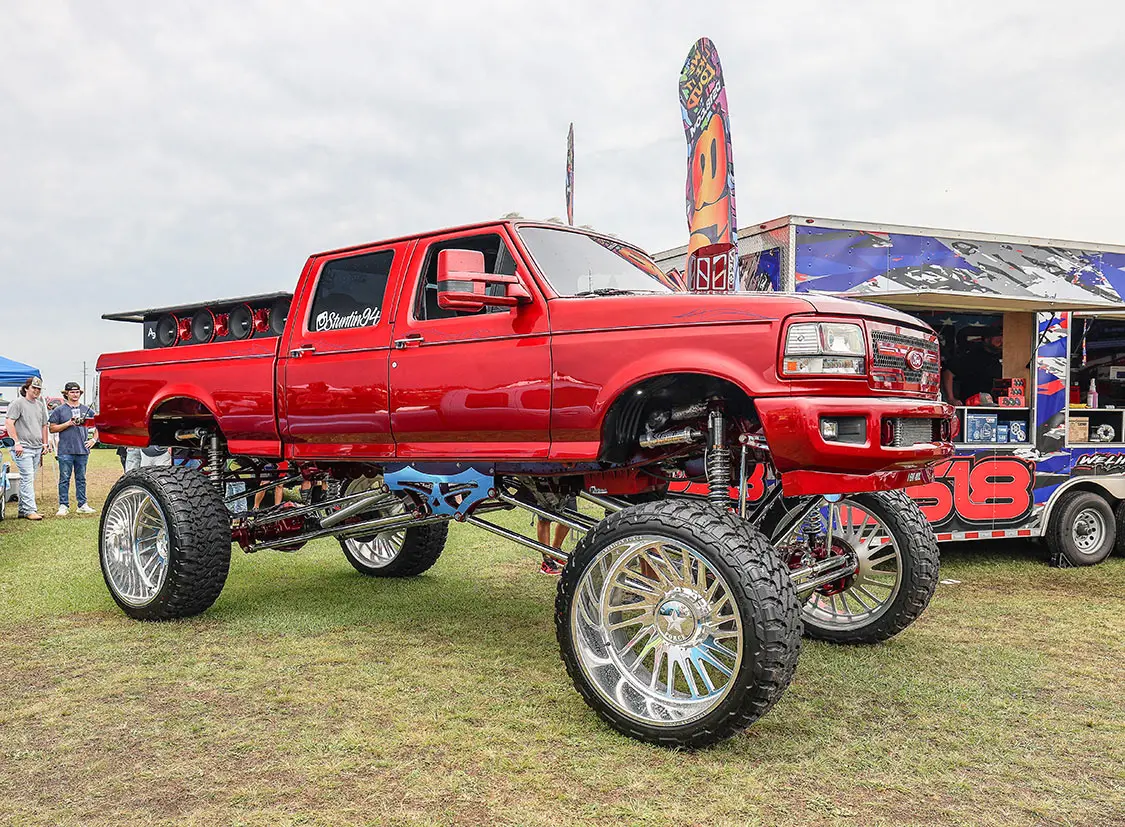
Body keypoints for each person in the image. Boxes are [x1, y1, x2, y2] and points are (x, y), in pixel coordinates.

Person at [4, 377, 51, 520]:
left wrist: (45, 444)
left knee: (29, 478)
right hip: (23, 448)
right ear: (26, 389)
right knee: (27, 477)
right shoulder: (18, 403)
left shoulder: (40, 405)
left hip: (36, 447)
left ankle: (23, 510)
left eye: (38, 389)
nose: (36, 391)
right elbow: (9, 422)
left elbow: (44, 425)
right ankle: (30, 510)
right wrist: (16, 443)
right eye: (34, 388)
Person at [48, 381, 98, 516]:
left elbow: (98, 425)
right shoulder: (59, 410)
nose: (75, 394)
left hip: (82, 450)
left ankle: (82, 504)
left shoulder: (86, 409)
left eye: (77, 392)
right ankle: (63, 505)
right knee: (64, 479)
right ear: (66, 394)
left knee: (81, 479)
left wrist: (93, 440)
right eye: (72, 392)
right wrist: (68, 423)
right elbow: (52, 428)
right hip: (65, 450)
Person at [942, 326, 1003, 406]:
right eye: (998, 339)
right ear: (987, 339)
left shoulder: (1004, 358)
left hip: (997, 405)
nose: (1002, 341)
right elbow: (948, 372)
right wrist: (951, 399)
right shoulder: (973, 356)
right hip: (973, 404)